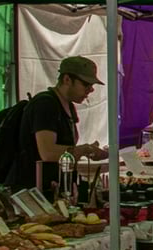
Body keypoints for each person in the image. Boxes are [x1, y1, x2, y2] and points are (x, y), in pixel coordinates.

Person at [15, 56, 108, 192]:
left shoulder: (68, 106)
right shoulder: (45, 104)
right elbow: (48, 153)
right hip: (35, 190)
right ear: (67, 79)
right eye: (86, 84)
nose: (91, 90)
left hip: (56, 187)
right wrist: (84, 149)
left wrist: (88, 150)